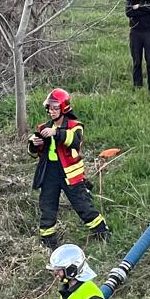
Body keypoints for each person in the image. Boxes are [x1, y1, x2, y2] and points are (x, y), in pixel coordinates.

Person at [27, 87, 108, 244]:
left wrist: (56, 133)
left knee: (82, 205)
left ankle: (102, 233)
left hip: (70, 175)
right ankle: (48, 240)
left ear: (64, 108)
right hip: (49, 173)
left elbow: (75, 142)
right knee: (47, 207)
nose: (51, 111)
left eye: (55, 108)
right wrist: (33, 143)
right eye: (49, 108)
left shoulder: (75, 126)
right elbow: (33, 154)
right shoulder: (43, 128)